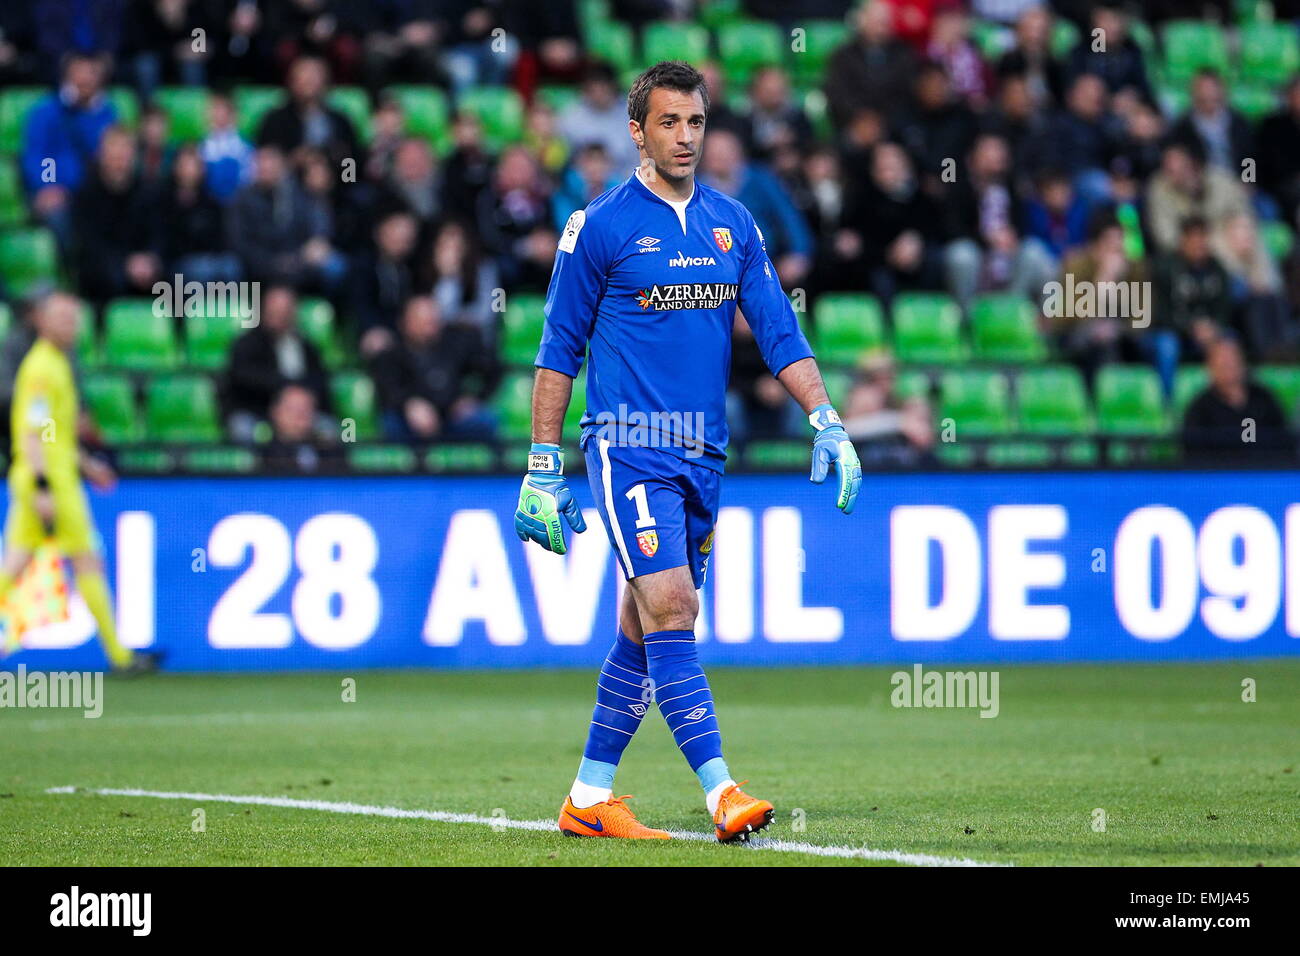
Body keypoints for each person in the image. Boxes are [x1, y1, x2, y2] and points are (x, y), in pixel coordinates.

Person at [517, 62, 861, 842]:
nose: (684, 137)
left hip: (704, 454)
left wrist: (826, 418)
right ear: (635, 131)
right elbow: (557, 351)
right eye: (668, 123)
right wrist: (542, 463)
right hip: (627, 447)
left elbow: (778, 328)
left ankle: (589, 797)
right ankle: (723, 794)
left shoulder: (733, 223)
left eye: (696, 123)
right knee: (675, 605)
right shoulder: (599, 226)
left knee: (642, 629)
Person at [0, 292, 152, 673]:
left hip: (52, 473)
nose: (73, 326)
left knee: (15, 565)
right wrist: (44, 488)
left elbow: (54, 433)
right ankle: (119, 656)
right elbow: (35, 435)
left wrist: (85, 464)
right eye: (64, 318)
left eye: (75, 318)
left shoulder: (55, 363)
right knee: (87, 561)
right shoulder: (41, 369)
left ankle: (120, 654)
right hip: (50, 480)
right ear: (42, 321)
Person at [368, 295, 499, 442]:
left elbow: (491, 370)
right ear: (405, 323)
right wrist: (408, 404)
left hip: (452, 415)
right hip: (412, 419)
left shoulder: (456, 343)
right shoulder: (392, 353)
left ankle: (473, 464)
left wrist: (473, 397)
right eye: (423, 321)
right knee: (391, 423)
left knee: (484, 420)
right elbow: (386, 389)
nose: (430, 326)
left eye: (433, 320)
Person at [1181, 336, 1291, 463]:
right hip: (1218, 478)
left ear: (1243, 363)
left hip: (1264, 476)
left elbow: (1284, 442)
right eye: (1222, 363)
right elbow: (1193, 454)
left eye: (1233, 361)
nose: (1229, 367)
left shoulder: (1264, 399)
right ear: (1211, 367)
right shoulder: (1200, 408)